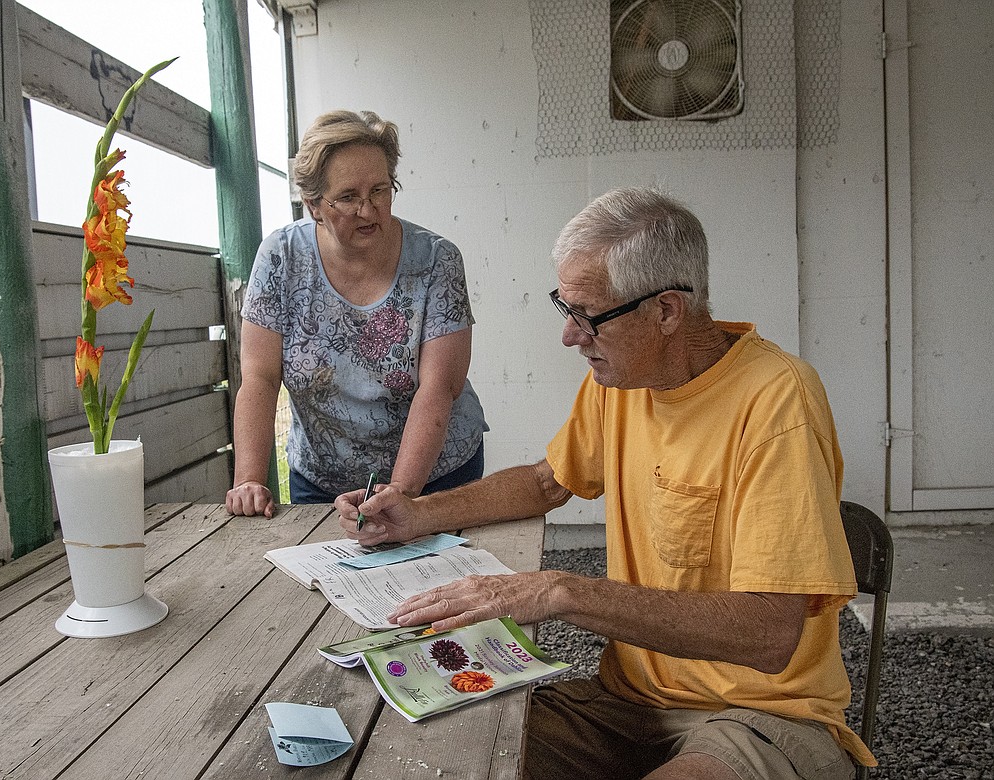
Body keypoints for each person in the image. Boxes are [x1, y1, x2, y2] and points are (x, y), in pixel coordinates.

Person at [336, 187, 875, 779]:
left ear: (667, 311)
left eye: (586, 317)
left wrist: (562, 592)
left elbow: (770, 633)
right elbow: (547, 483)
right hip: (625, 707)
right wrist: (416, 513)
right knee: (433, 751)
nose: (570, 337)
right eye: (563, 308)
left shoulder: (777, 402)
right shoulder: (621, 380)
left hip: (761, 714)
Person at [225, 110, 487, 518]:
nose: (368, 210)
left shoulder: (437, 260)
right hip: (322, 482)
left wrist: (400, 493)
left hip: (436, 476)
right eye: (348, 198)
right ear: (313, 204)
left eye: (380, 191)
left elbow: (438, 388)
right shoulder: (280, 258)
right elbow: (260, 377)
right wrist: (249, 480)